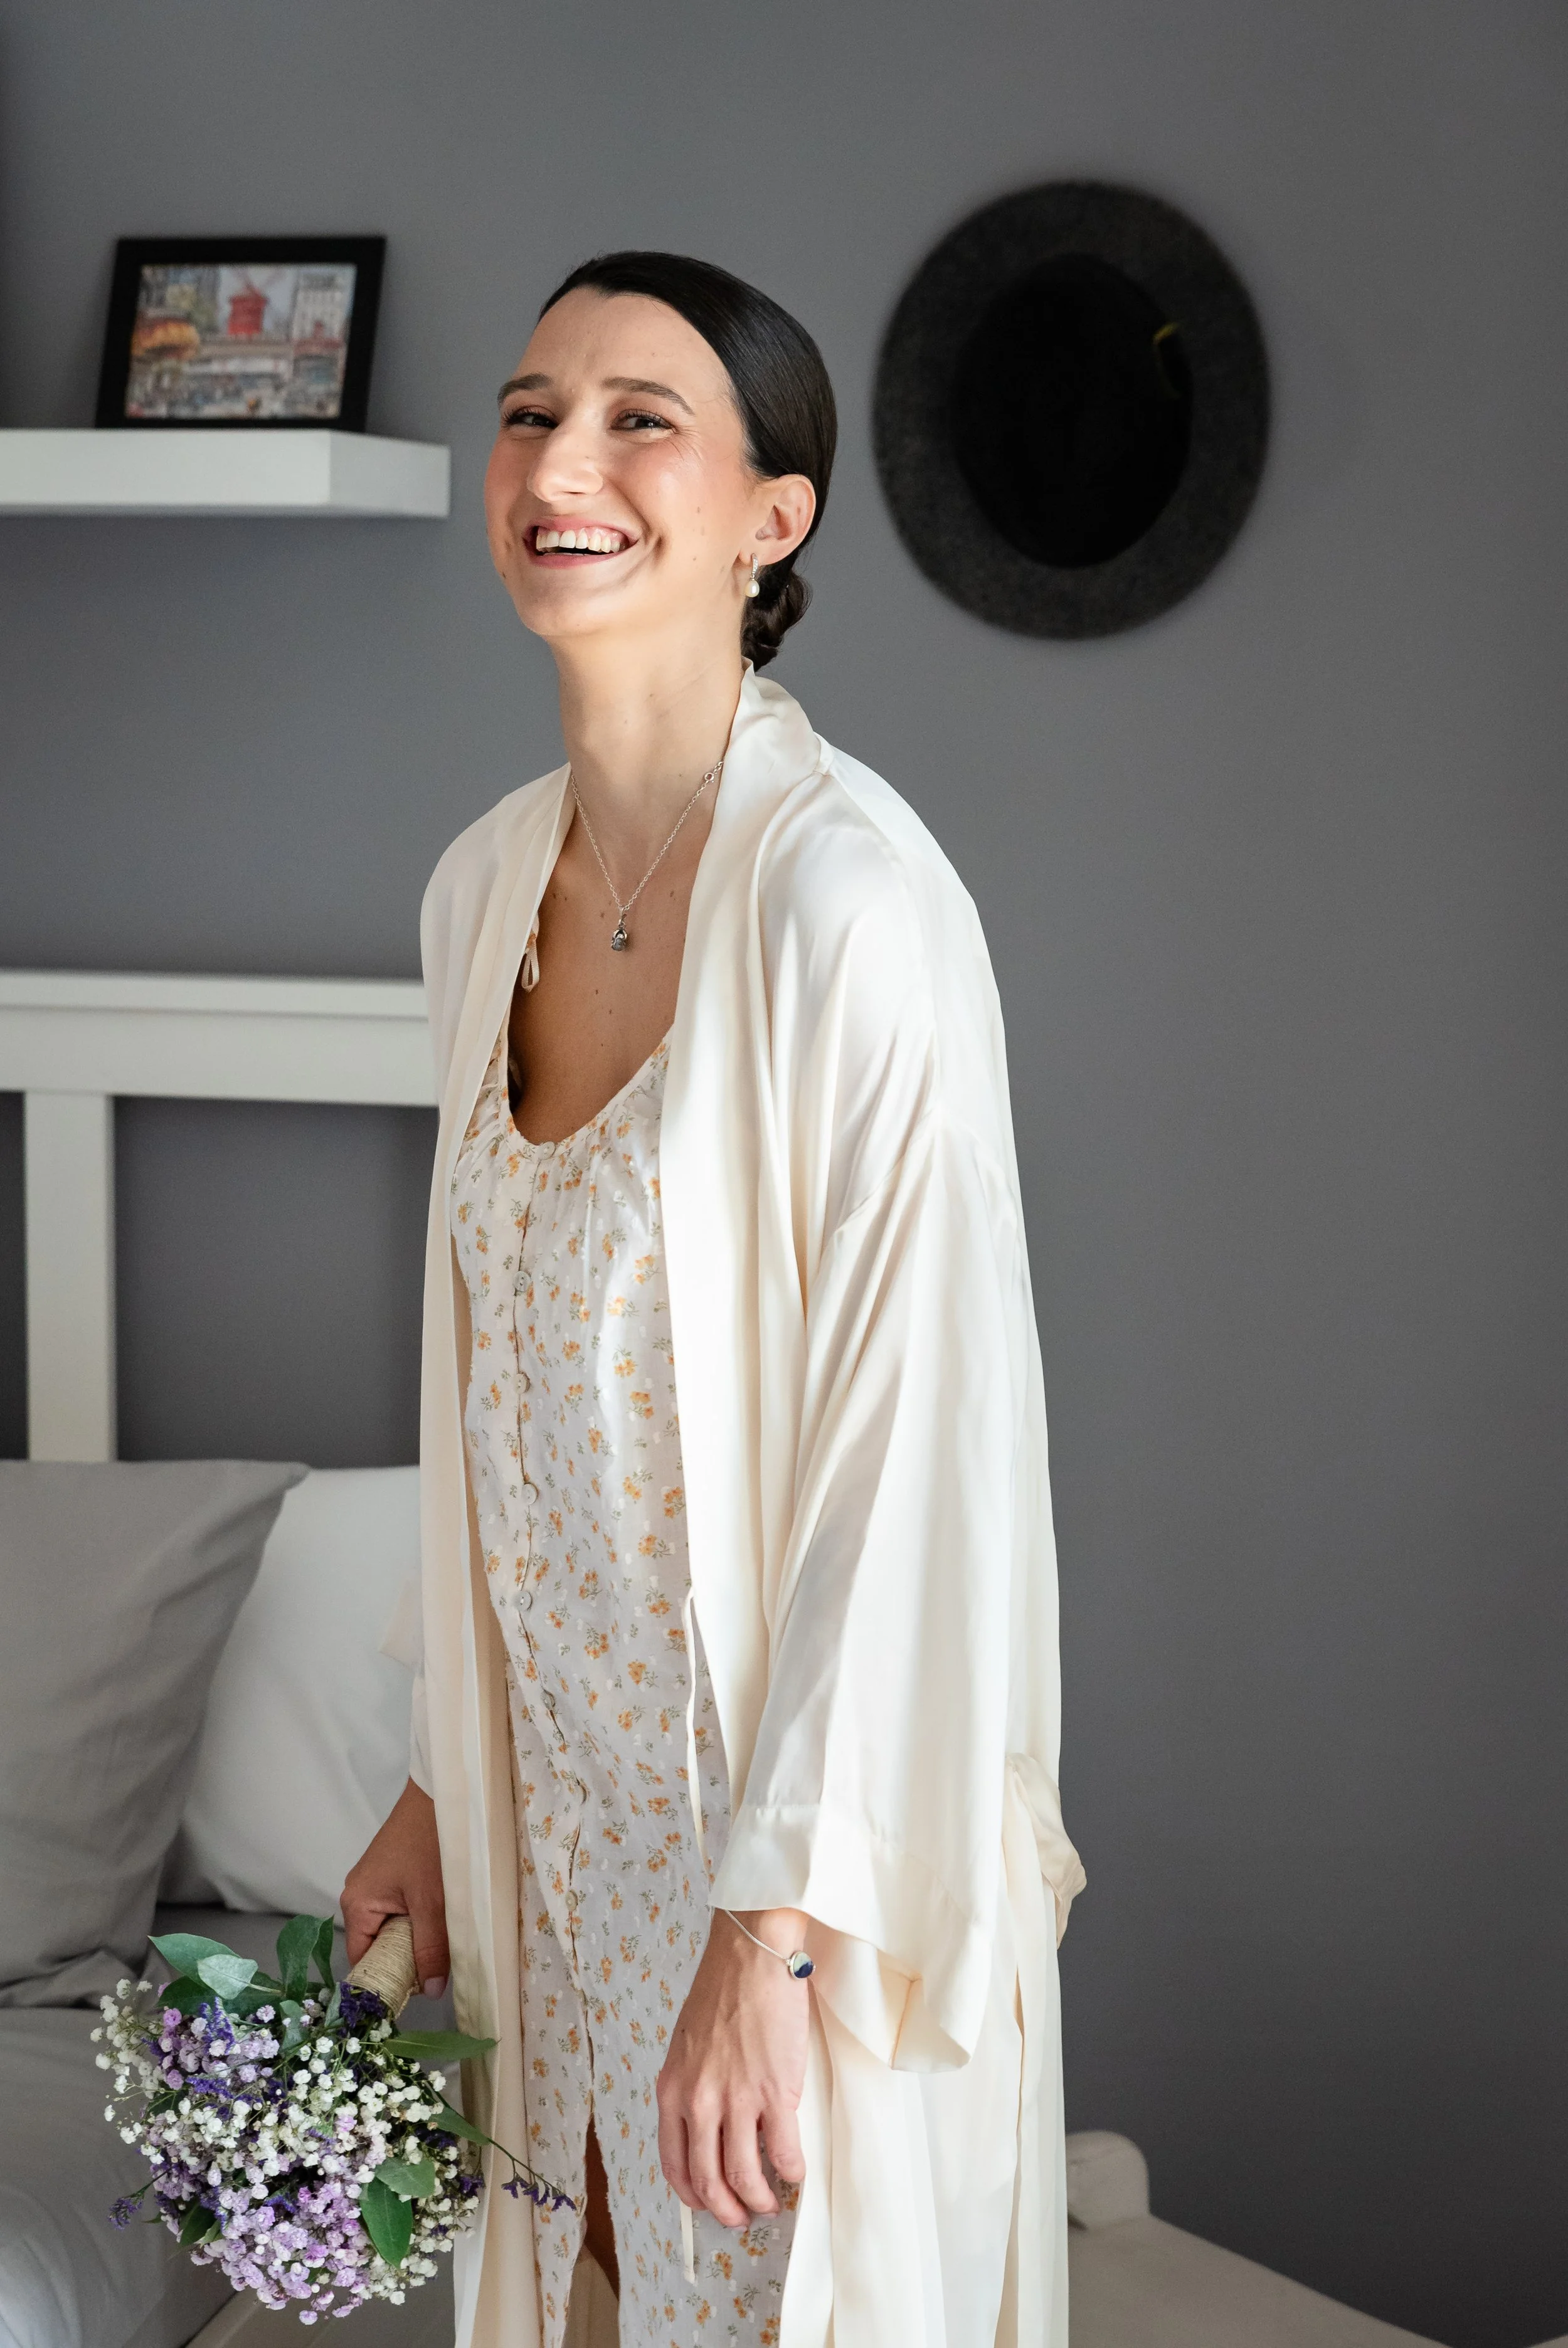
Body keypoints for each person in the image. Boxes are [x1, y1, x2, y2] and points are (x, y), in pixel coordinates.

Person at [342, 249, 1083, 2348]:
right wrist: (430, 1777)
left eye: (636, 419)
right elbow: (496, 1394)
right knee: (574, 2289)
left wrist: (771, 1945)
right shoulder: (480, 887)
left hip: (783, 1846)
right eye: (525, 413)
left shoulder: (853, 905)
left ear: (774, 518)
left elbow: (910, 1459)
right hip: (553, 1809)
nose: (557, 463)